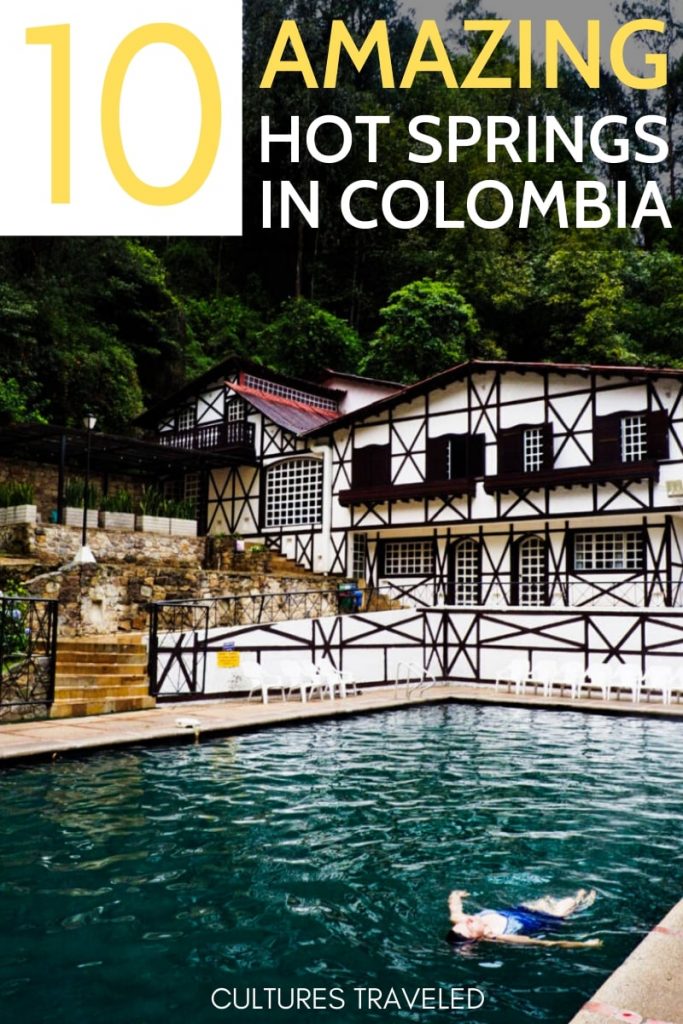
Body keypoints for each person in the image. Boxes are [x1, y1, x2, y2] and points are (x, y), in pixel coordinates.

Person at [447, 888, 602, 948]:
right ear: (477, 938)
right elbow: (547, 943)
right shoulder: (502, 936)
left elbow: (454, 909)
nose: (467, 920)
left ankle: (577, 898)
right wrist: (584, 944)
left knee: (545, 899)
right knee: (569, 903)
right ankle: (581, 899)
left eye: (462, 923)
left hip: (522, 910)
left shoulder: (466, 920)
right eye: (469, 926)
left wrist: (456, 894)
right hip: (547, 920)